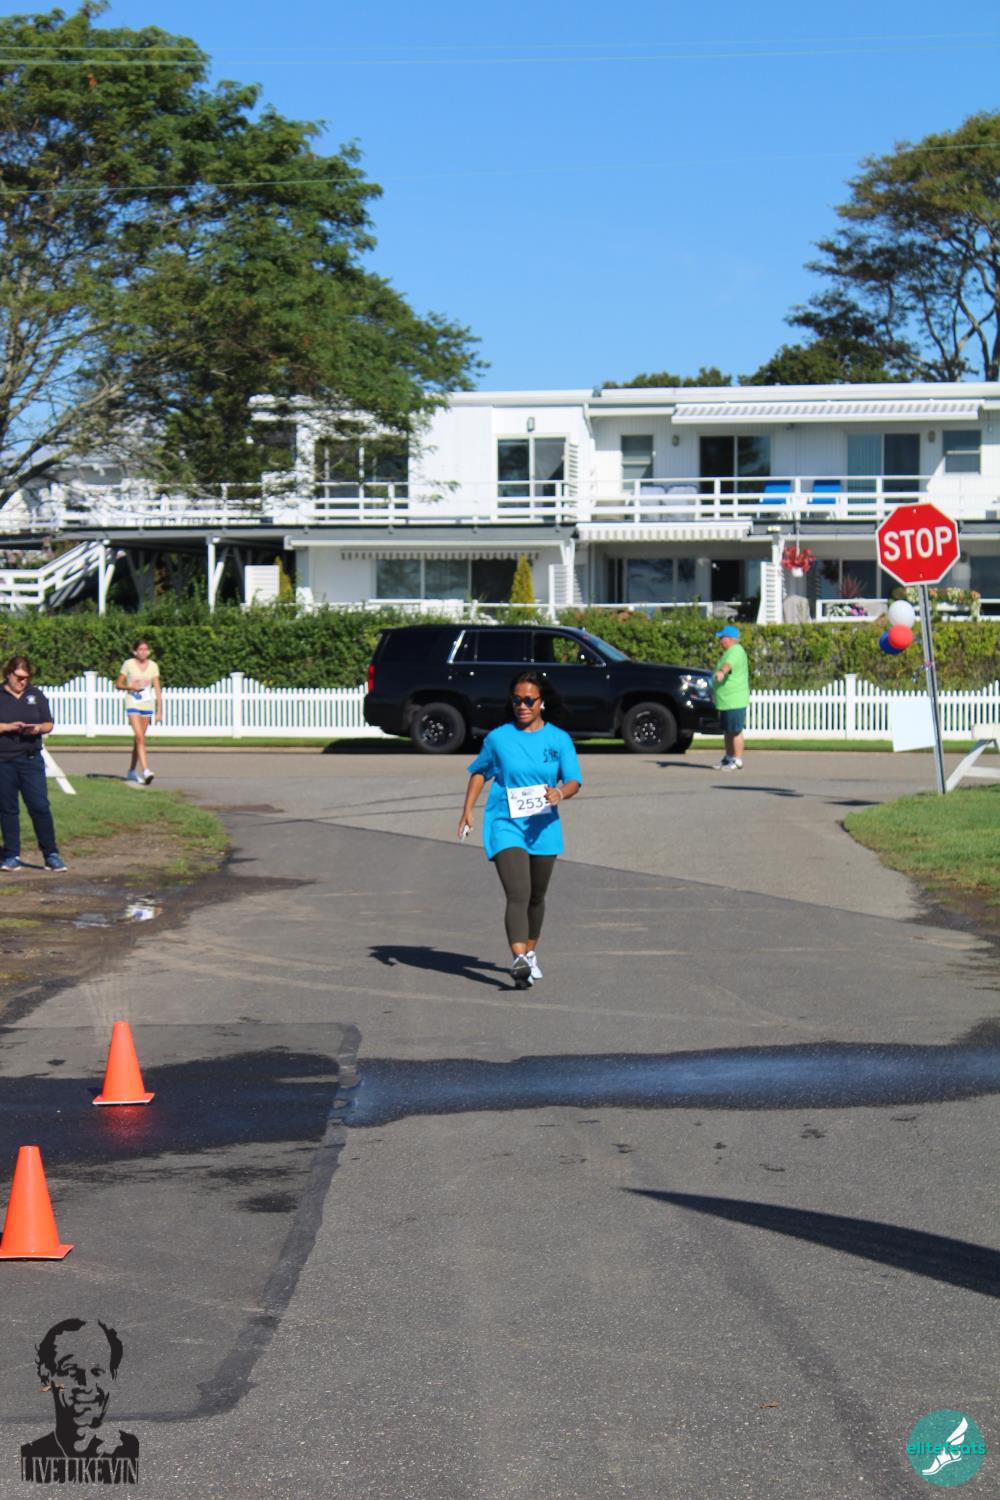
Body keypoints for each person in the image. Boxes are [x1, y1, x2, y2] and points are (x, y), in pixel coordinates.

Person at [458, 670, 581, 989]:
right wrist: (467, 810)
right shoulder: (498, 738)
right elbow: (479, 772)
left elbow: (574, 780)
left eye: (529, 700)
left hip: (544, 827)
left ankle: (530, 952)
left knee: (536, 897)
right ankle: (519, 959)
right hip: (506, 824)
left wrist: (560, 793)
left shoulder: (559, 739)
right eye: (516, 700)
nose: (522, 706)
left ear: (542, 702)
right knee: (518, 893)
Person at [21, 1318, 139, 1484]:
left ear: (113, 1376)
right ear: (47, 1375)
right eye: (71, 1371)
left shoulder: (130, 1450)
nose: (87, 1385)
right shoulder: (31, 1455)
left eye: (97, 1371)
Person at [0, 655, 67, 872]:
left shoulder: (35, 695)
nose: (22, 682)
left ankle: (51, 854)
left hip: (30, 758)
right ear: (8, 674)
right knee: (8, 809)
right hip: (4, 760)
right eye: (19, 677)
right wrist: (9, 727)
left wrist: (37, 728)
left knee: (39, 806)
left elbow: (49, 723)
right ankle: (11, 855)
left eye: (26, 678)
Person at [116, 637, 162, 784]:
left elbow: (157, 688)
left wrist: (159, 710)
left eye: (145, 649)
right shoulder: (128, 664)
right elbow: (118, 683)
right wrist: (130, 687)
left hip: (147, 704)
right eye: (140, 649)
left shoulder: (153, 666)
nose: (143, 652)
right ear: (135, 651)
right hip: (133, 703)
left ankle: (131, 771)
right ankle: (146, 770)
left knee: (139, 738)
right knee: (140, 737)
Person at [711, 624, 750, 772]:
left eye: (722, 638)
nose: (720, 641)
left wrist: (722, 672)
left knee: (735, 731)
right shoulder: (730, 651)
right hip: (726, 701)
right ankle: (728, 757)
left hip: (734, 700)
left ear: (729, 638)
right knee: (728, 731)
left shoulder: (736, 651)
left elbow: (728, 665)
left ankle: (737, 760)